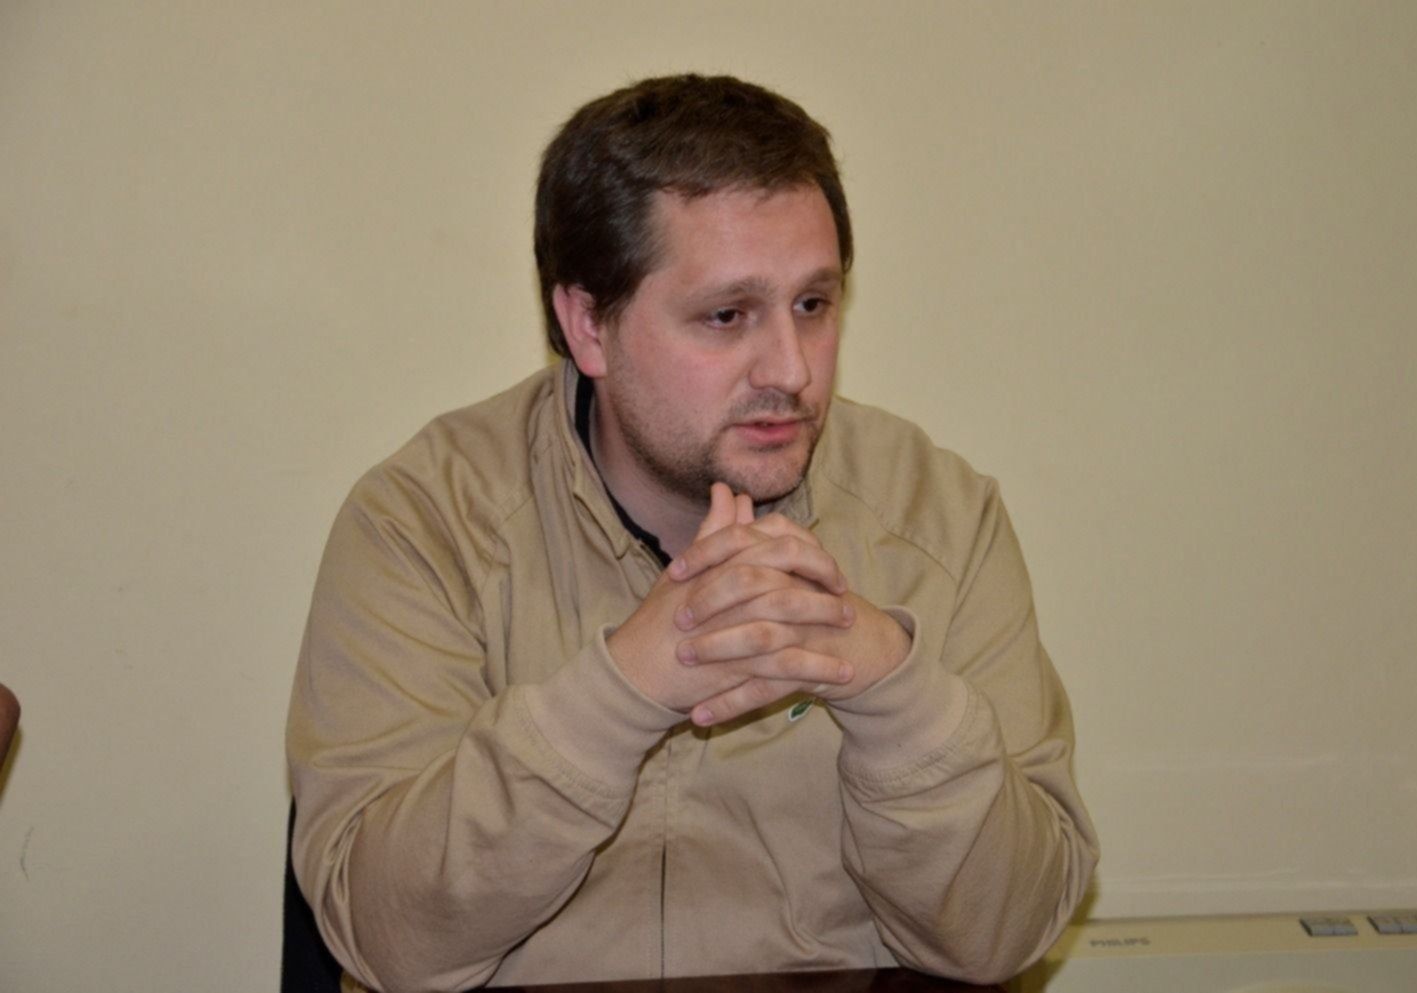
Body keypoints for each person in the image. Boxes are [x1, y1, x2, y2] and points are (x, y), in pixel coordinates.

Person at [287, 74, 1097, 993]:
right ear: (588, 325)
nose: (791, 370)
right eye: (727, 316)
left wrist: (889, 684)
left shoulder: (938, 519)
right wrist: (625, 685)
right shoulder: (426, 524)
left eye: (813, 305)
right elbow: (388, 941)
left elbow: (1006, 935)